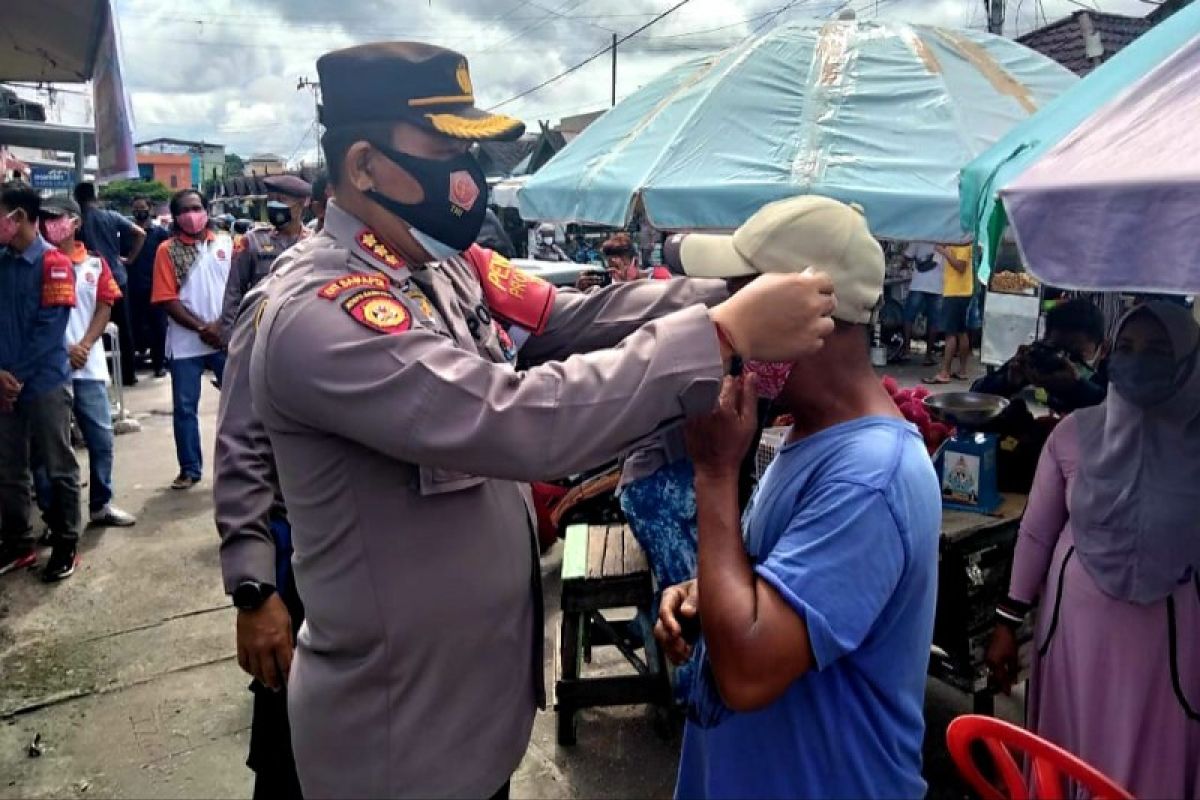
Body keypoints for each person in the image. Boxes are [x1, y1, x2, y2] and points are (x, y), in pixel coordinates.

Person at [244, 41, 837, 799]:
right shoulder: (325, 315)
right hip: (398, 743)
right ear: (362, 164)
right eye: (446, 147)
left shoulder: (440, 265)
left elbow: (565, 316)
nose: (471, 173)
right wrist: (721, 335)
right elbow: (519, 422)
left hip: (466, 717)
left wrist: (720, 291)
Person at [654, 198, 942, 799]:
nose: (730, 321)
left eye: (746, 301)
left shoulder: (870, 477)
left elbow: (750, 672)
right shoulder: (808, 433)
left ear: (815, 314)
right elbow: (779, 589)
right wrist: (709, 589)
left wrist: (713, 474)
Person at [986, 302, 1200, 798]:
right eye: (1126, 348)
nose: (1138, 359)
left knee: (1148, 757)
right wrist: (1007, 621)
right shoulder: (1073, 433)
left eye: (1157, 349)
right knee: (1072, 749)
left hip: (1166, 639)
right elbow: (1037, 533)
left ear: (1189, 359)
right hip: (1075, 632)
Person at [215, 268, 305, 799]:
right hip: (300, 554)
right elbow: (241, 451)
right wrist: (254, 591)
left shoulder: (434, 283)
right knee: (289, 751)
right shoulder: (285, 296)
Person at [35, 197, 136, 528]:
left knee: (101, 439)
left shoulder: (95, 264)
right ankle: (56, 518)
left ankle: (101, 504)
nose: (50, 224)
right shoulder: (36, 263)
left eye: (56, 218)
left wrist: (84, 345)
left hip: (88, 366)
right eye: (45, 218)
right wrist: (65, 350)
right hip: (48, 369)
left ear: (75, 222)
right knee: (50, 449)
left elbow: (105, 306)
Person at [0, 182, 82, 581]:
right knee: (9, 467)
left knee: (56, 464)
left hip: (45, 382)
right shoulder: (2, 262)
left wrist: (12, 377)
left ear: (17, 218)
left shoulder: (54, 264)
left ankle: (66, 541)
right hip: (5, 384)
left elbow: (50, 331)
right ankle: (18, 543)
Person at [151, 189, 232, 491]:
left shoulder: (227, 244)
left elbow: (238, 290)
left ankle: (238, 466)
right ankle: (189, 468)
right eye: (184, 210)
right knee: (185, 409)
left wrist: (223, 328)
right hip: (187, 345)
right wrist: (203, 328)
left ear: (207, 210)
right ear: (175, 217)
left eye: (196, 208)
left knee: (238, 406)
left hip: (224, 340)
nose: (191, 215)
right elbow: (166, 298)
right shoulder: (167, 250)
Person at [972, 298, 1108, 415]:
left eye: (1076, 356)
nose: (1065, 361)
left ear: (1103, 350)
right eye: (1058, 351)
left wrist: (1076, 387)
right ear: (1046, 339)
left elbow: (1113, 412)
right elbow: (973, 398)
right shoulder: (1038, 357)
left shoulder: (1116, 376)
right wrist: (1007, 382)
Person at [218, 174, 311, 341]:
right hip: (258, 332)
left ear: (303, 202)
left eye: (282, 200)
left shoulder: (314, 242)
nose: (274, 205)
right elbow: (233, 291)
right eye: (271, 200)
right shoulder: (252, 241)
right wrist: (230, 338)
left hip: (302, 332)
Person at [75, 181, 146, 387]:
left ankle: (97, 372)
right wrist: (130, 258)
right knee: (124, 329)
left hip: (90, 280)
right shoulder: (111, 216)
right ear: (95, 196)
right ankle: (129, 374)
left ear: (77, 198)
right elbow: (140, 233)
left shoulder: (78, 221)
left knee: (91, 328)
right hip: (117, 277)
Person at [128, 196, 171, 378]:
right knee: (133, 329)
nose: (139, 212)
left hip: (155, 288)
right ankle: (131, 368)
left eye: (142, 208)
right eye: (136, 209)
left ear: (150, 209)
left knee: (159, 329)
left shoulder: (160, 233)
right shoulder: (128, 232)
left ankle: (159, 364)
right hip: (133, 288)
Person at [925, 242, 974, 384]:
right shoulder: (959, 243)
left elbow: (961, 267)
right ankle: (962, 371)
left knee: (950, 333)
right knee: (961, 331)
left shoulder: (963, 244)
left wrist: (945, 252)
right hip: (959, 292)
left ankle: (945, 372)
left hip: (956, 292)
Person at [902, 242, 943, 365]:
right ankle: (928, 355)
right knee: (933, 322)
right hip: (938, 286)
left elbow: (907, 256)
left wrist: (904, 264)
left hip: (918, 284)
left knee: (908, 318)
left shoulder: (919, 237)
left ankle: (906, 351)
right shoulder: (945, 240)